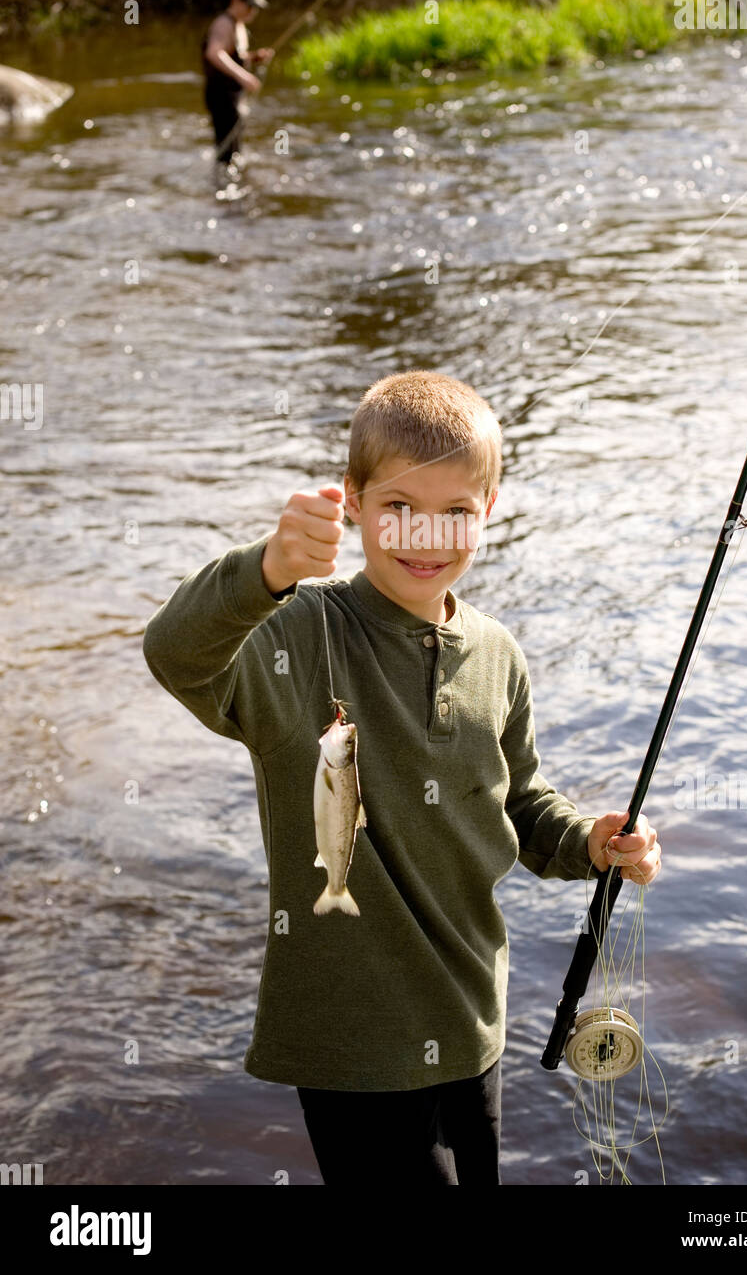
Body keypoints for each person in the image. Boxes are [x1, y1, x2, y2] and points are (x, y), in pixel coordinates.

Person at [142, 370, 661, 1185]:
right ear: (351, 502)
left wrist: (590, 843)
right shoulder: (300, 631)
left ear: (489, 508)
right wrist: (268, 570)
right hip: (355, 1039)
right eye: (399, 509)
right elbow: (176, 652)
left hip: (470, 1017)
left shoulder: (498, 655)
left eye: (456, 510)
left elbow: (520, 806)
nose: (428, 536)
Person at [201, 0, 274, 173]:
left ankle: (231, 179)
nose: (252, 12)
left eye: (255, 8)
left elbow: (235, 56)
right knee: (226, 148)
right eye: (250, 6)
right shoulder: (223, 24)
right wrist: (244, 76)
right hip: (220, 96)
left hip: (233, 96)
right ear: (236, 0)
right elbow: (214, 53)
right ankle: (223, 186)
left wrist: (255, 57)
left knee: (234, 143)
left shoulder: (239, 25)